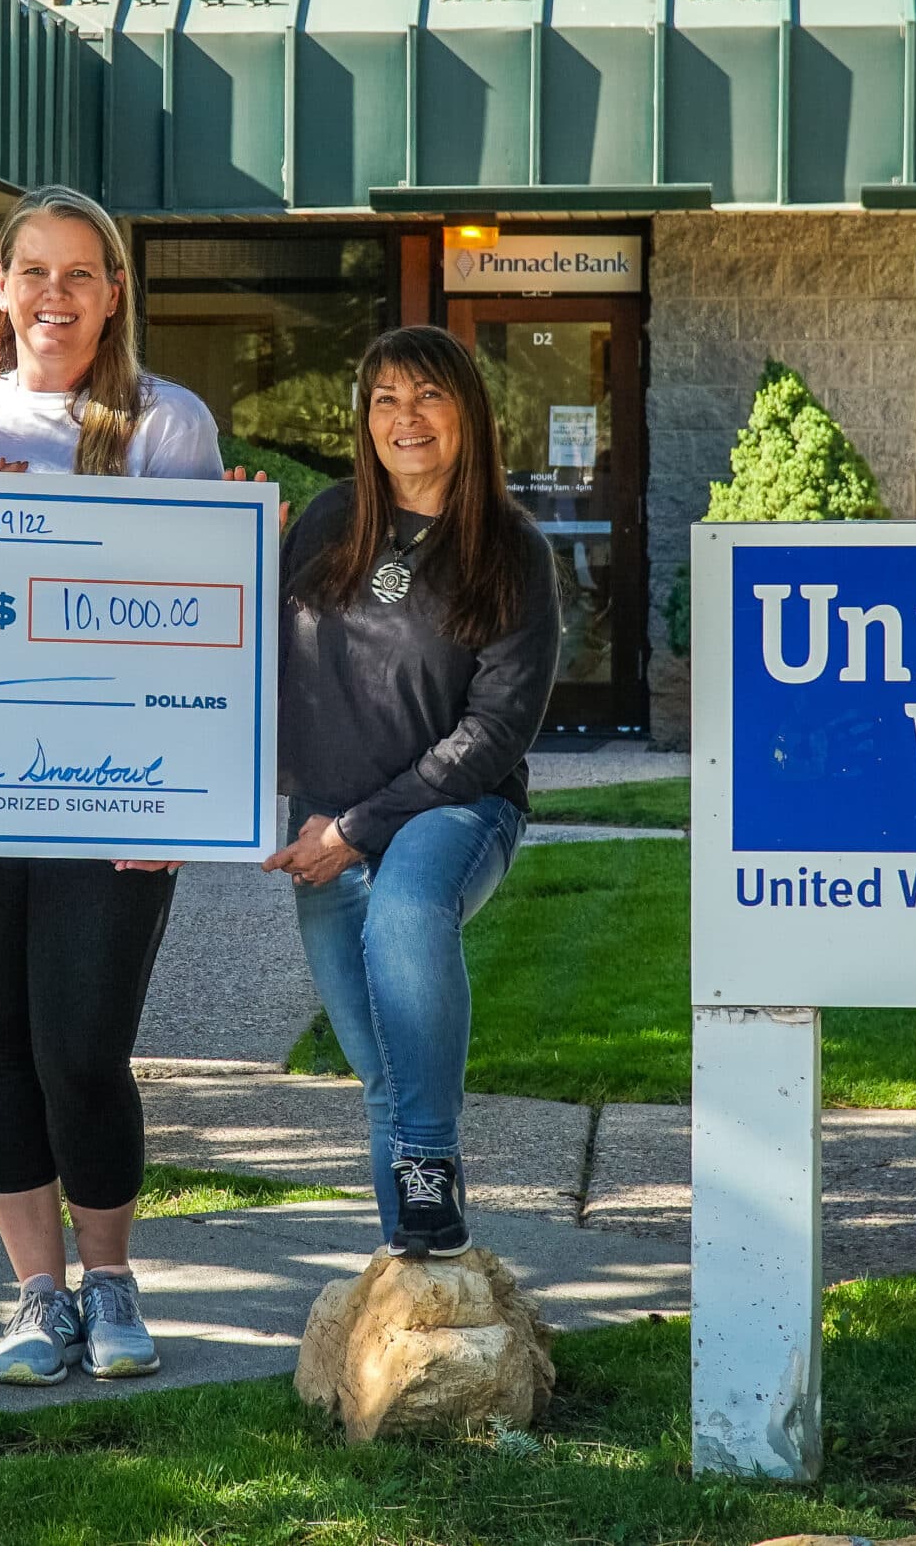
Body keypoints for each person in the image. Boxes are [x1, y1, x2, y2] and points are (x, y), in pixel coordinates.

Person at [0, 185, 222, 1386]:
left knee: (82, 1045)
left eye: (80, 274)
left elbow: (199, 624)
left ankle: (113, 1278)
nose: (54, 296)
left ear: (113, 291)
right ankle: (37, 1295)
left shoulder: (165, 425)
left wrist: (179, 798)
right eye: (33, 271)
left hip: (111, 795)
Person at [264, 326, 560, 1260]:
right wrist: (229, 546)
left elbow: (495, 731)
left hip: (455, 811)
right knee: (380, 1065)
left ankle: (429, 1164)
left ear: (468, 413)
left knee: (405, 908)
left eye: (428, 396)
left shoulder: (512, 552)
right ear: (365, 418)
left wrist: (358, 827)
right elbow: (236, 655)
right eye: (386, 398)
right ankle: (416, 1265)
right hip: (326, 825)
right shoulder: (323, 523)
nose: (407, 418)